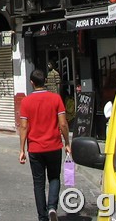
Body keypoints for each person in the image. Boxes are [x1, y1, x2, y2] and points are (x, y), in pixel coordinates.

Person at [19, 67, 71, 221]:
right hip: (54, 146)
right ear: (46, 82)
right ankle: (52, 208)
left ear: (31, 83)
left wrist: (21, 149)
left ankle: (42, 217)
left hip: (35, 148)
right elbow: (63, 124)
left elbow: (23, 126)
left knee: (38, 183)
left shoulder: (26, 101)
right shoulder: (56, 99)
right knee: (54, 178)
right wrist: (67, 142)